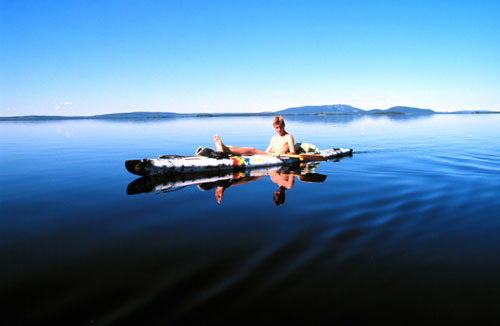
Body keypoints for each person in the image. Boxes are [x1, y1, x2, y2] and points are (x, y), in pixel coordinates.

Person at [214, 116, 295, 156]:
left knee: (252, 150)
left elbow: (293, 152)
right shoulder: (274, 138)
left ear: (284, 125)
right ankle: (225, 149)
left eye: (280, 127)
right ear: (274, 127)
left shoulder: (288, 137)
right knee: (251, 150)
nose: (279, 130)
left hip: (280, 157)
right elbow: (267, 151)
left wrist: (283, 153)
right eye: (277, 128)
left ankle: (225, 149)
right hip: (271, 156)